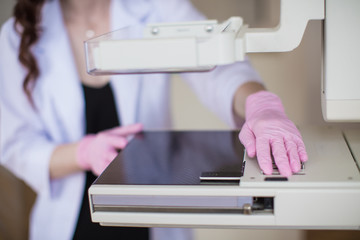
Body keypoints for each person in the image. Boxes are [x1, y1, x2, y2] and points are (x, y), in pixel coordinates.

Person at [0, 0, 308, 239]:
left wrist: (259, 103)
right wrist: (81, 154)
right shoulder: (17, 36)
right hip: (71, 224)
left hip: (152, 217)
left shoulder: (156, 7)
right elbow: (14, 143)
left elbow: (219, 64)